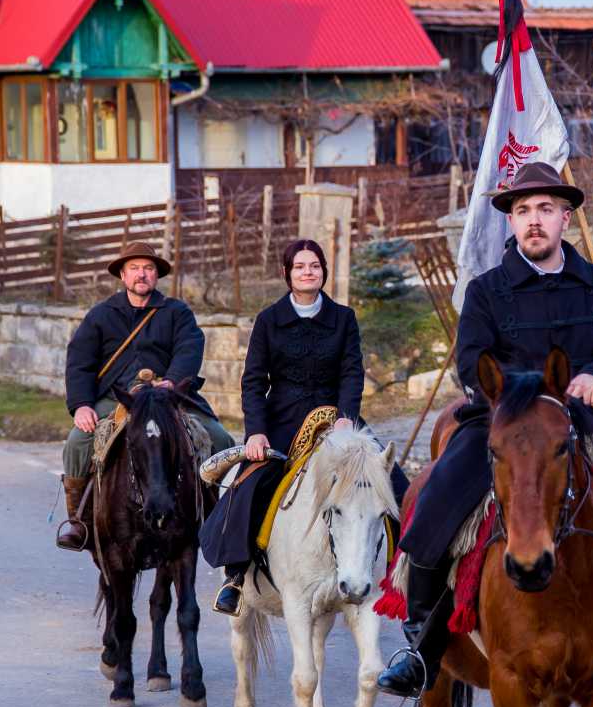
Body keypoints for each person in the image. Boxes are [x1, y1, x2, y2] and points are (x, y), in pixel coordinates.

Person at [375, 162, 593, 707]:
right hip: (498, 429)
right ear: (512, 221)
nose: (533, 220)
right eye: (523, 211)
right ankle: (423, 647)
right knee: (430, 509)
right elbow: (472, 360)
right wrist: (508, 396)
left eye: (545, 209)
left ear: (565, 218)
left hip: (584, 429)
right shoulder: (486, 291)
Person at [199, 239, 408, 615]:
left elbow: (351, 371)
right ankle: (236, 576)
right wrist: (256, 432)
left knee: (394, 481)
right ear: (287, 273)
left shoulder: (343, 318)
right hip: (281, 420)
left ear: (324, 271)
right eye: (300, 266)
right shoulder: (268, 320)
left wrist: (347, 414)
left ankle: (401, 573)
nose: (308, 271)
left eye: (314, 265)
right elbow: (253, 381)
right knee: (251, 483)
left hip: (339, 419)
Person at [57, 242, 233, 551]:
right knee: (77, 443)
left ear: (156, 276)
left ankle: (216, 516)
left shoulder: (177, 312)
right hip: (119, 399)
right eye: (135, 268)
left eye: (149, 268)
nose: (142, 274)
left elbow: (189, 349)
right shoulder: (100, 316)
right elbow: (79, 363)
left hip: (168, 398)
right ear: (123, 275)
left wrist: (174, 382)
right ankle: (78, 521)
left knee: (221, 440)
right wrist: (82, 405)